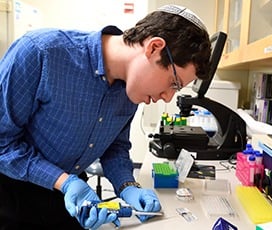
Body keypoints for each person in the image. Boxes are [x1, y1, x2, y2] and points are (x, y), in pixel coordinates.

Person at [0, 4, 211, 230]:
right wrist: (65, 182)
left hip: (67, 200)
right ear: (154, 48)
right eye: (173, 83)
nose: (168, 97)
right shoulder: (40, 53)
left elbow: (115, 149)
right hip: (11, 198)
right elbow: (2, 144)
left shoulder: (131, 92)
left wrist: (128, 185)